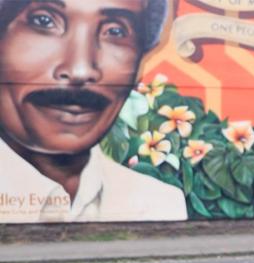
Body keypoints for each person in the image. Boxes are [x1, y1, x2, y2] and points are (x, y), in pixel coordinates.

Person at [0, 0, 187, 223]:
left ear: (139, 63)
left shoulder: (159, 204)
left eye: (115, 31)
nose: (80, 70)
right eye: (44, 21)